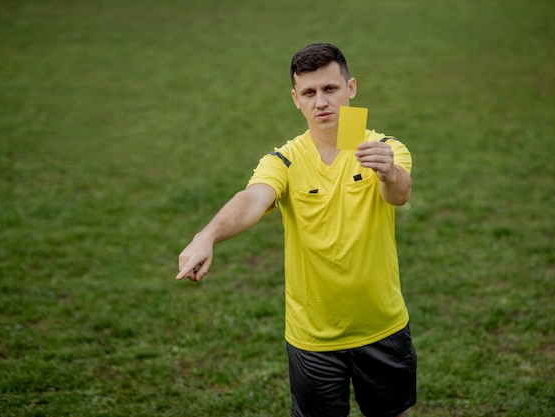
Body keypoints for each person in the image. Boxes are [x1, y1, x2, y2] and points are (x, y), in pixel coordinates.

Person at [176, 43, 416, 417]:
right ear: (296, 99)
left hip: (382, 327)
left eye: (330, 89)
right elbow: (252, 199)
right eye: (309, 92)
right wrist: (207, 235)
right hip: (313, 337)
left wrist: (389, 171)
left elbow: (398, 195)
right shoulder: (284, 160)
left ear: (350, 88)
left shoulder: (383, 147)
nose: (321, 101)